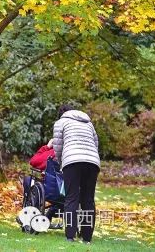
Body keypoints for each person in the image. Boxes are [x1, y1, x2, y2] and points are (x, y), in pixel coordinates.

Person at [52, 104, 100, 243]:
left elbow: (58, 146)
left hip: (72, 161)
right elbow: (95, 144)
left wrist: (62, 163)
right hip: (92, 162)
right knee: (88, 200)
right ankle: (87, 238)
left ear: (61, 113)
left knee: (71, 198)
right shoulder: (88, 123)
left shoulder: (61, 122)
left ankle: (70, 237)